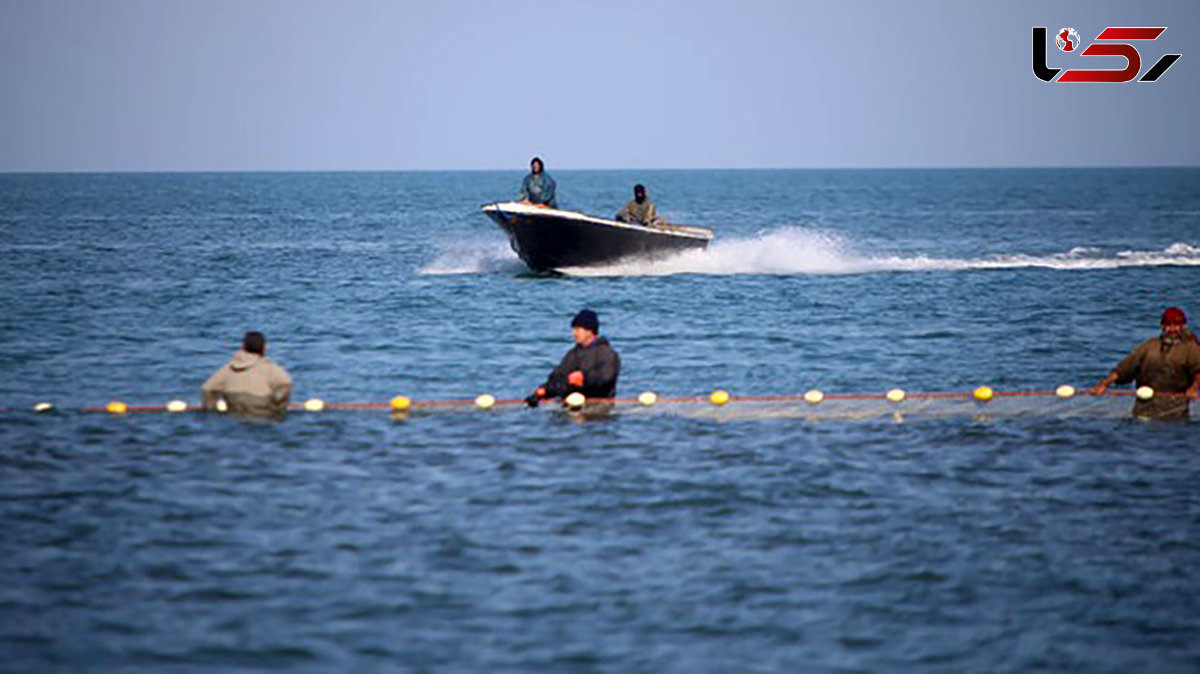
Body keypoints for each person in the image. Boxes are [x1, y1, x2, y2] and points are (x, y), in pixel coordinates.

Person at [1091, 307, 1200, 420]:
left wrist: (1194, 388)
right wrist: (1104, 384)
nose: (1172, 329)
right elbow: (1124, 369)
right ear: (1162, 326)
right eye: (1168, 325)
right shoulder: (1149, 346)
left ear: (1183, 326)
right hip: (1144, 408)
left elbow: (1199, 372)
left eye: (1176, 325)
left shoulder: (1191, 349)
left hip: (1176, 412)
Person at [526, 309, 620, 407]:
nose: (574, 333)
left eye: (578, 329)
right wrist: (545, 390)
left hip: (599, 408)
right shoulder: (573, 354)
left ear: (590, 330)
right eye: (573, 329)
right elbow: (558, 376)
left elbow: (606, 377)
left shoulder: (606, 352)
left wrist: (585, 379)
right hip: (571, 406)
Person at [202, 331, 293, 418]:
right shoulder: (273, 371)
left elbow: (207, 388)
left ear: (243, 347)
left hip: (234, 416)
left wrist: (212, 411)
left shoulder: (227, 370)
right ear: (264, 348)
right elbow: (286, 382)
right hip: (263, 415)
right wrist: (279, 411)